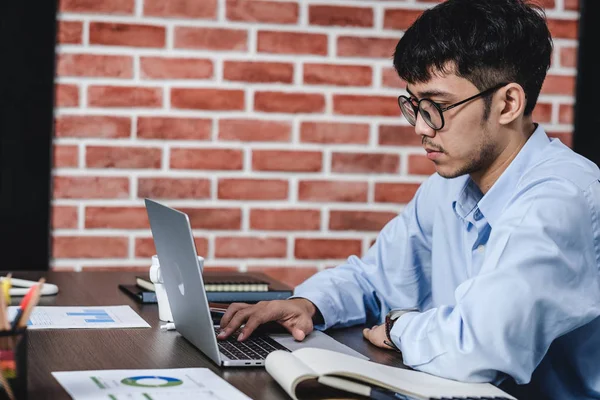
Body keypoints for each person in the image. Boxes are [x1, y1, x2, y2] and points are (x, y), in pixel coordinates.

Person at [217, 0, 600, 398]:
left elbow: (479, 346)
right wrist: (308, 303)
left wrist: (399, 327)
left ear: (507, 103)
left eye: (438, 106)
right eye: (415, 104)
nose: (420, 126)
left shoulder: (561, 198)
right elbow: (376, 276)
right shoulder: (449, 184)